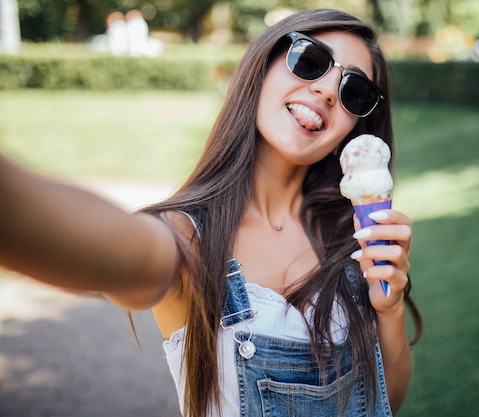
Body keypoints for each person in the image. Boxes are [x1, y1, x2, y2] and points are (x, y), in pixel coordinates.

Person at [0, 8, 421, 417]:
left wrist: (389, 307)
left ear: (354, 129)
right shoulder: (187, 236)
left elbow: (385, 401)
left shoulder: (352, 239)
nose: (329, 90)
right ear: (262, 68)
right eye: (310, 60)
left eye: (354, 91)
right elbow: (108, 249)